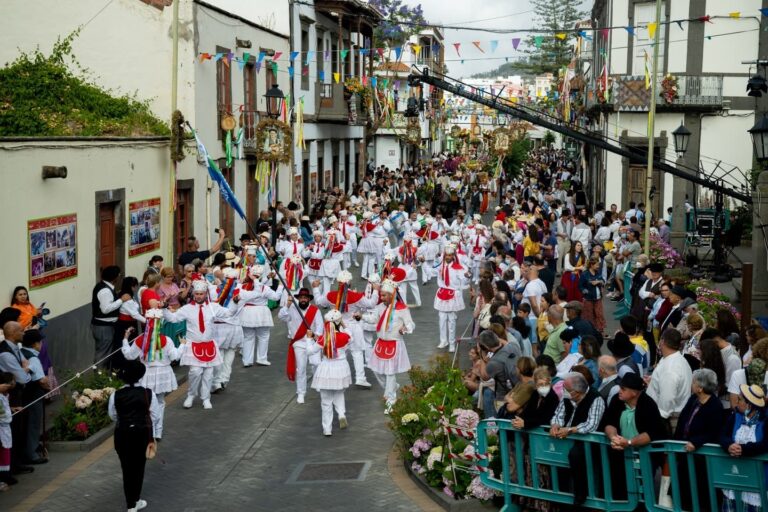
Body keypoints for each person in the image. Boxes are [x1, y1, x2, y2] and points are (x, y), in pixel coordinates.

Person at [162, 281, 237, 410]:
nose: (198, 296)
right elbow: (173, 318)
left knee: (208, 374)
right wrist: (164, 308)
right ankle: (191, 395)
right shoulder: (187, 309)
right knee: (195, 372)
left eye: (201, 294)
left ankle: (206, 398)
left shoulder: (213, 307)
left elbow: (229, 313)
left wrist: (235, 303)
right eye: (196, 293)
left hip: (209, 345)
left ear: (206, 294)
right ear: (193, 294)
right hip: (194, 345)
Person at [602, 372, 667, 501]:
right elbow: (609, 422)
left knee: (642, 486)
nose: (619, 391)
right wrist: (613, 438)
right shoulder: (616, 400)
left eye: (623, 389)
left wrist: (629, 442)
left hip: (645, 454)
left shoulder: (648, 405)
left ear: (634, 393)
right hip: (620, 451)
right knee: (618, 484)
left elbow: (651, 433)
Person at [108, 360, 161, 512]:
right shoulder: (148, 393)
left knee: (126, 468)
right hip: (141, 434)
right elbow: (155, 416)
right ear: (140, 376)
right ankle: (135, 500)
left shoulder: (115, 395)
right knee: (139, 467)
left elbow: (113, 415)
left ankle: (131, 503)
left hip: (122, 434)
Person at [120, 315, 183, 441]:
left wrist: (125, 339)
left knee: (147, 403)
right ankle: (158, 431)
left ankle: (151, 430)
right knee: (160, 402)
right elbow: (174, 357)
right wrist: (182, 346)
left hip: (147, 374)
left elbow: (129, 355)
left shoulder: (140, 340)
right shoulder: (167, 340)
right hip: (163, 373)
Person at [550, 371, 606, 507]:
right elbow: (558, 414)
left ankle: (581, 495)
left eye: (566, 389)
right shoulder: (566, 397)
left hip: (586, 441)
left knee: (576, 455)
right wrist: (555, 425)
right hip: (565, 438)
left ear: (576, 392)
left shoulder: (596, 398)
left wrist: (570, 430)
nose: (564, 391)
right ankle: (558, 497)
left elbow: (591, 425)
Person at [672, 368, 723, 511]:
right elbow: (683, 421)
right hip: (685, 454)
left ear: (700, 388)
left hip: (701, 460)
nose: (691, 384)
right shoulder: (693, 399)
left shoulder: (715, 406)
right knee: (684, 495)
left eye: (694, 382)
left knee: (701, 497)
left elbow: (714, 432)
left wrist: (696, 442)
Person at [365, 280, 414, 413]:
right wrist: (362, 317)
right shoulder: (380, 307)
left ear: (392, 295)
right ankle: (392, 387)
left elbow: (410, 324)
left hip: (394, 344)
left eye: (384, 295)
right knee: (376, 370)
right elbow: (374, 319)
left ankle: (391, 400)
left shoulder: (402, 308)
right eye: (381, 295)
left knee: (390, 373)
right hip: (380, 343)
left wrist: (405, 329)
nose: (381, 298)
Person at [719, 384, 768, 511]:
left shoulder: (765, 421)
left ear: (749, 405)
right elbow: (722, 435)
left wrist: (744, 449)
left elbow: (765, 444)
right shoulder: (734, 416)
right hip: (734, 477)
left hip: (756, 480)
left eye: (740, 399)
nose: (736, 402)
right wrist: (729, 445)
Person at [307, 310, 352, 436]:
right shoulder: (345, 337)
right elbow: (351, 336)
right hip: (341, 368)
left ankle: (327, 428)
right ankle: (341, 413)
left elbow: (310, 351)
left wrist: (309, 339)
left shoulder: (323, 338)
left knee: (326, 401)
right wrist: (344, 325)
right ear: (339, 322)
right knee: (339, 393)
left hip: (326, 369)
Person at [279, 288, 325, 404]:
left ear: (309, 299)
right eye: (301, 298)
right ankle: (301, 393)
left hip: (312, 341)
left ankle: (317, 383)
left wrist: (315, 335)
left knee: (316, 364)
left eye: (305, 298)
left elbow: (320, 326)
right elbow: (282, 317)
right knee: (301, 368)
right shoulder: (292, 308)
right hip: (299, 342)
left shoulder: (315, 310)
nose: (303, 299)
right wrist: (287, 305)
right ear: (298, 299)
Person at [0, 321, 31, 475]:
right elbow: (23, 378)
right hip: (11, 396)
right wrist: (25, 370)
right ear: (12, 333)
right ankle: (10, 467)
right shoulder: (5, 353)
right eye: (21, 331)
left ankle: (17, 463)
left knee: (19, 430)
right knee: (12, 431)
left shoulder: (15, 348)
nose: (23, 333)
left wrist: (25, 369)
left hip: (17, 394)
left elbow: (26, 365)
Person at [646, 328, 692, 431]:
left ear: (662, 341)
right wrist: (652, 382)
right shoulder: (674, 359)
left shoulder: (670, 368)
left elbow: (668, 398)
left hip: (666, 419)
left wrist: (658, 420)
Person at [238, 265, 284, 368]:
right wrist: (280, 286)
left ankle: (247, 360)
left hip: (247, 313)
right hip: (262, 312)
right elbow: (276, 297)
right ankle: (262, 358)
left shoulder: (243, 286)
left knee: (248, 337)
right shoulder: (264, 288)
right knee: (263, 336)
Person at [91, 266, 132, 367]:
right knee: (103, 353)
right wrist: (121, 300)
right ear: (114, 277)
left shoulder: (104, 286)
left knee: (105, 352)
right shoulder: (105, 290)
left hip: (106, 326)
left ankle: (102, 373)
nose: (120, 277)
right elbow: (105, 309)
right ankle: (99, 375)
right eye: (119, 275)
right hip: (103, 327)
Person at [19, 330, 49, 465]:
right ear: (35, 344)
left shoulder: (21, 352)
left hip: (23, 395)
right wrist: (47, 383)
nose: (41, 344)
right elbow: (42, 380)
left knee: (26, 424)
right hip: (34, 395)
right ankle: (32, 454)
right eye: (40, 342)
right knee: (33, 424)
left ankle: (26, 451)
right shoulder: (33, 358)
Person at [433, 246, 470, 352]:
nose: (448, 257)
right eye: (446, 255)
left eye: (450, 255)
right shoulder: (440, 266)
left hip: (453, 294)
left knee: (452, 320)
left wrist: (467, 277)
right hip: (442, 293)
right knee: (442, 319)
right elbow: (431, 271)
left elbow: (464, 280)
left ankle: (452, 343)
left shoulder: (458, 268)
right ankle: (443, 341)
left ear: (453, 256)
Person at [579, 257, 606, 333]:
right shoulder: (584, 274)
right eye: (597, 265)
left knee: (599, 314)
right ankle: (589, 330)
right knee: (589, 315)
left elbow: (603, 281)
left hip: (598, 298)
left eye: (598, 265)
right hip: (588, 298)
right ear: (591, 265)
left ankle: (600, 330)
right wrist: (585, 291)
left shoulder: (598, 273)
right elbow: (580, 286)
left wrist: (599, 282)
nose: (598, 266)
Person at [0, 371, 15, 490]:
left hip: (5, 428)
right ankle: (2, 480)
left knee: (6, 453)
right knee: (2, 453)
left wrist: (12, 409)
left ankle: (5, 478)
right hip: (1, 428)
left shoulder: (5, 396)